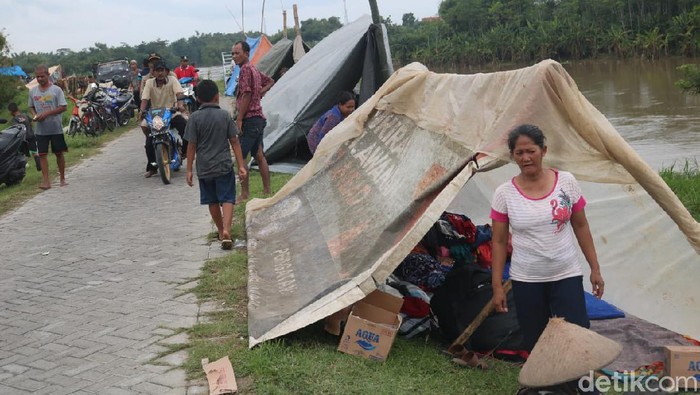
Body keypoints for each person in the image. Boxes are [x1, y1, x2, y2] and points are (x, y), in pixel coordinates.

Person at [490, 124, 605, 355]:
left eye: (530, 151)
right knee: (536, 339)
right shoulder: (504, 194)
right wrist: (497, 287)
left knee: (577, 334)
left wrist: (595, 268)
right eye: (519, 153)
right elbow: (499, 242)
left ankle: (582, 387)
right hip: (526, 279)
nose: (525, 158)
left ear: (543, 150)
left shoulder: (566, 182)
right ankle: (543, 389)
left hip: (566, 273)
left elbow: (581, 225)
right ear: (513, 156)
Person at [184, 80, 247, 250]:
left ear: (197, 99)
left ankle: (220, 231)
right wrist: (241, 165)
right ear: (216, 97)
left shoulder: (194, 118)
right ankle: (227, 229)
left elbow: (191, 145)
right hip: (223, 165)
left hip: (204, 168)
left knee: (211, 200)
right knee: (227, 198)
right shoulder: (225, 115)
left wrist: (189, 169)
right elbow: (234, 141)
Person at [231, 40, 274, 201]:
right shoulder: (254, 69)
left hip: (250, 119)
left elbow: (246, 94)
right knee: (258, 154)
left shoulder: (245, 70)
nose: (234, 56)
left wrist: (240, 118)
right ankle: (267, 190)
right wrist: (259, 94)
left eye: (237, 53)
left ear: (247, 53)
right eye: (233, 53)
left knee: (241, 157)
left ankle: (244, 193)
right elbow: (270, 81)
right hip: (258, 118)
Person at [139, 60, 187, 178]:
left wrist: (180, 105)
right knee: (148, 137)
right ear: (153, 72)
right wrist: (141, 111)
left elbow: (179, 94)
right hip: (155, 115)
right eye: (157, 71)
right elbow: (144, 99)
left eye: (162, 70)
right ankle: (152, 167)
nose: (160, 73)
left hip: (171, 113)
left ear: (166, 71)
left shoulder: (172, 80)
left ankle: (185, 151)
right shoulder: (149, 83)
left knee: (186, 126)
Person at [28, 64, 68, 190]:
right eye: (37, 77)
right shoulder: (33, 91)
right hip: (40, 130)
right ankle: (46, 181)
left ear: (48, 75)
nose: (39, 79)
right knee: (42, 155)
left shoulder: (56, 90)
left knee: (59, 153)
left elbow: (63, 107)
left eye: (42, 76)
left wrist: (46, 113)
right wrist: (35, 115)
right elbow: (31, 106)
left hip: (55, 128)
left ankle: (62, 178)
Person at [8, 102, 41, 171]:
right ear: (17, 108)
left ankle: (23, 167)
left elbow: (16, 129)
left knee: (23, 153)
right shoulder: (25, 115)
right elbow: (31, 123)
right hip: (31, 135)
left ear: (11, 111)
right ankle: (39, 164)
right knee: (34, 151)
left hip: (23, 139)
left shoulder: (14, 120)